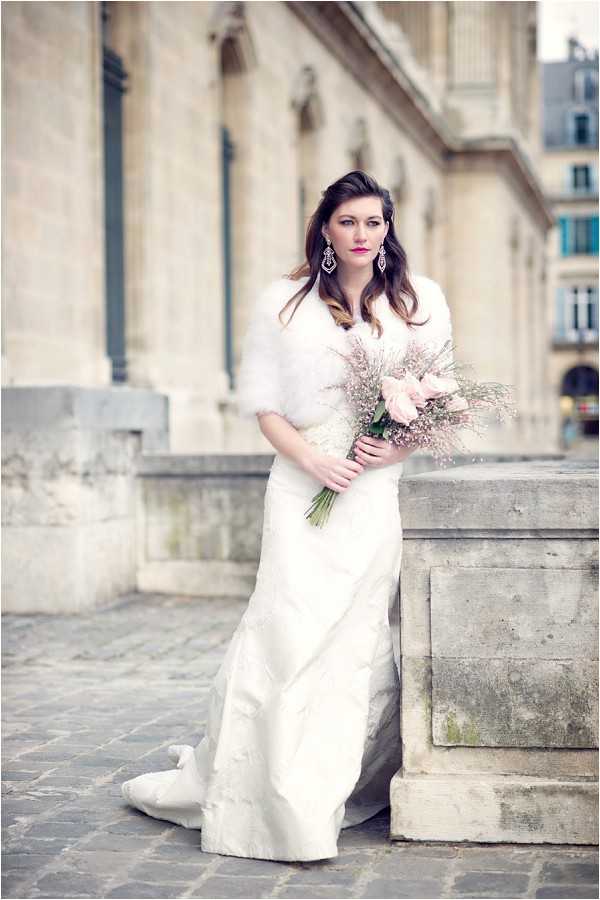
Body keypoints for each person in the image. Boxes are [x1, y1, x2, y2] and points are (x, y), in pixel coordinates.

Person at [121, 170, 454, 862]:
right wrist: (315, 462)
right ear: (326, 231)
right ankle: (268, 801)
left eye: (373, 222)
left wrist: (388, 452)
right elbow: (266, 408)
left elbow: (440, 406)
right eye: (348, 223)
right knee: (289, 631)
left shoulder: (421, 305)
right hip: (302, 490)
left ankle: (324, 787)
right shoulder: (285, 302)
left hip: (371, 495)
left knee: (354, 641)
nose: (362, 235)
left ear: (388, 228)